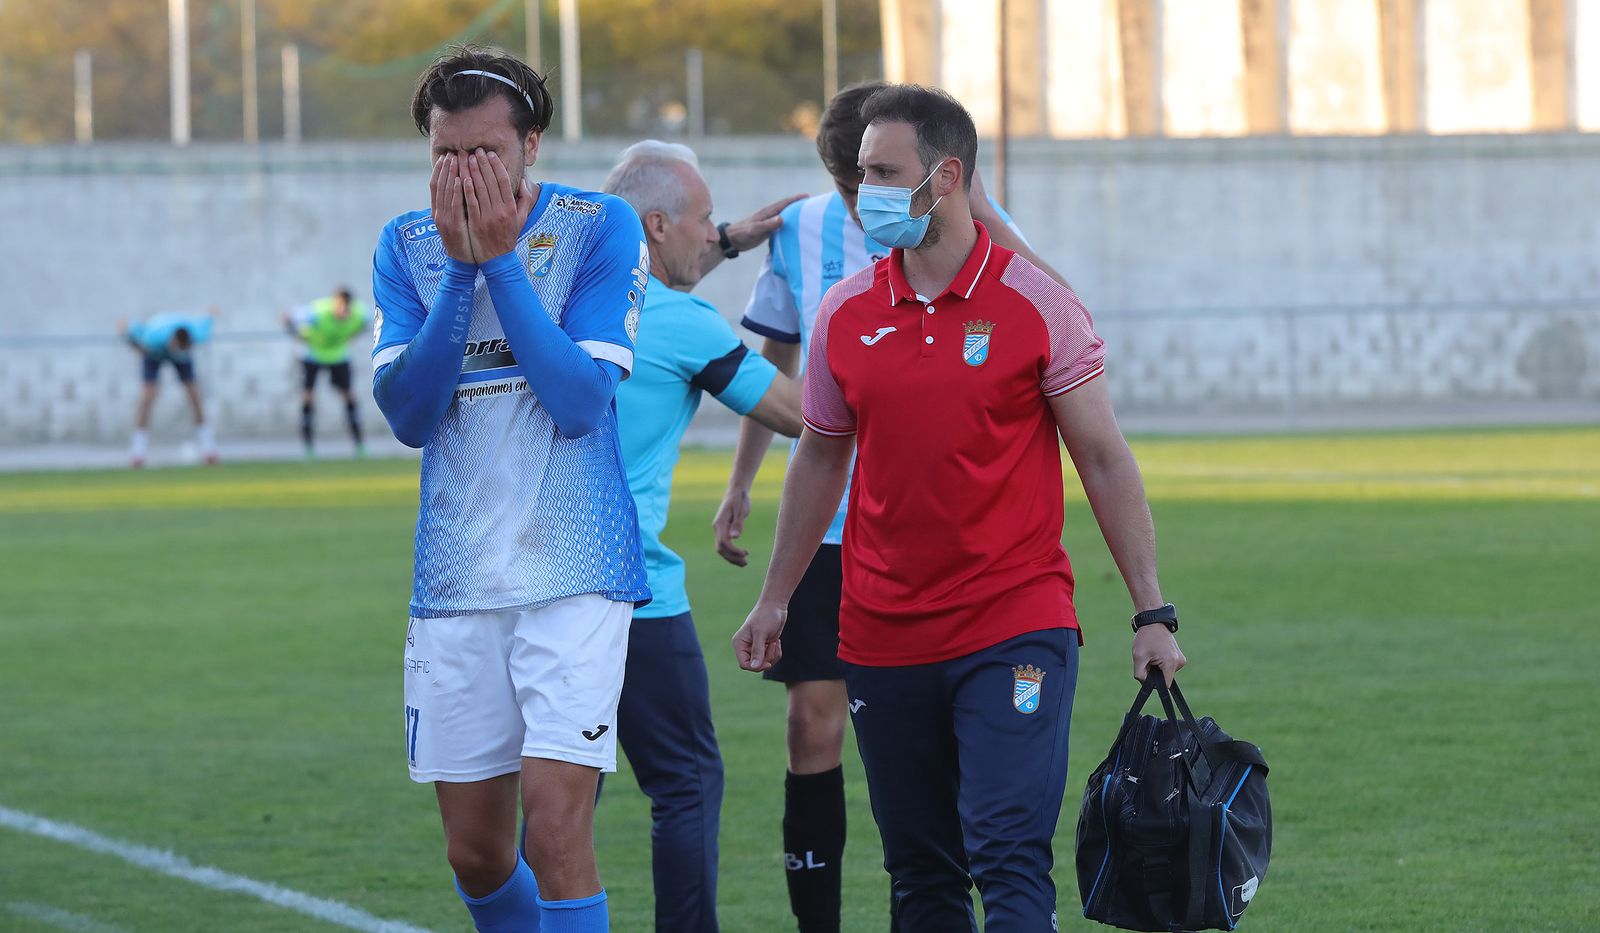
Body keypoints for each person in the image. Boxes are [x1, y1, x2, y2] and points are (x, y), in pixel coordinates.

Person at [732, 85, 1187, 931]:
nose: (863, 191)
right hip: (882, 632)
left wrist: (1151, 609)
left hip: (1014, 623)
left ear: (946, 178)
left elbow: (1102, 457)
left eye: (882, 172)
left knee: (1009, 855)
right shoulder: (844, 312)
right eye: (861, 171)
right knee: (921, 875)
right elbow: (821, 455)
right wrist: (776, 595)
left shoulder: (1038, 304)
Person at [371, 45, 650, 933]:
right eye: (447, 155)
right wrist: (461, 267)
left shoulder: (601, 226)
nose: (464, 173)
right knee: (477, 854)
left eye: (485, 152)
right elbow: (410, 413)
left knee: (556, 832)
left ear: (531, 145)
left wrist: (500, 262)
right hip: (457, 577)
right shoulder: (407, 246)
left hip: (575, 570)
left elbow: (576, 400)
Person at [602, 140, 804, 932]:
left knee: (562, 787)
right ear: (657, 224)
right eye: (705, 219)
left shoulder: (556, 295)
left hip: (535, 591)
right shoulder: (686, 323)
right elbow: (796, 414)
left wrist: (722, 243)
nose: (713, 230)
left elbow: (651, 284)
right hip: (635, 592)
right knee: (686, 781)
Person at [120, 310, 218, 468]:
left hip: (180, 356)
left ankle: (209, 449)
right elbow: (127, 328)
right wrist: (136, 343)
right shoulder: (152, 336)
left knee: (195, 396)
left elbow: (208, 318)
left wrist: (212, 313)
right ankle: (138, 452)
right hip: (154, 352)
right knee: (147, 396)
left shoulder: (198, 335)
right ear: (172, 340)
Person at [281, 287, 370, 458]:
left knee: (349, 395)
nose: (343, 311)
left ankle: (360, 445)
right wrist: (300, 336)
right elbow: (287, 317)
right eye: (340, 307)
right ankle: (308, 447)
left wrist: (350, 337)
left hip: (338, 355)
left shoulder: (359, 313)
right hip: (313, 355)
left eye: (346, 308)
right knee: (308, 396)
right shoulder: (317, 312)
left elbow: (368, 322)